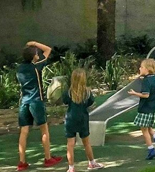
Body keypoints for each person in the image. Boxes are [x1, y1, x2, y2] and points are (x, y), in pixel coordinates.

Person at [16, 40, 62, 171]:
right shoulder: (36, 66)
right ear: (33, 57)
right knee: (44, 129)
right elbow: (48, 50)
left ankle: (22, 162)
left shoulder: (19, 68)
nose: (38, 54)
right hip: (36, 101)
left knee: (24, 131)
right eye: (36, 53)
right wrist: (34, 43)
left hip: (24, 102)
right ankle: (48, 158)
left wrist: (29, 48)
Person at [63, 69, 104, 171]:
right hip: (83, 119)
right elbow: (90, 102)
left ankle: (71, 168)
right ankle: (92, 163)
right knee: (86, 143)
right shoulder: (87, 92)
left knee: (70, 145)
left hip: (70, 119)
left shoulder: (68, 92)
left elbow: (65, 101)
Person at [128, 58, 155, 160]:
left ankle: (151, 149)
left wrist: (134, 93)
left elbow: (146, 95)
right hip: (152, 108)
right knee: (148, 126)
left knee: (144, 129)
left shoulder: (146, 81)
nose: (140, 68)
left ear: (147, 69)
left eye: (142, 67)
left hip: (145, 108)